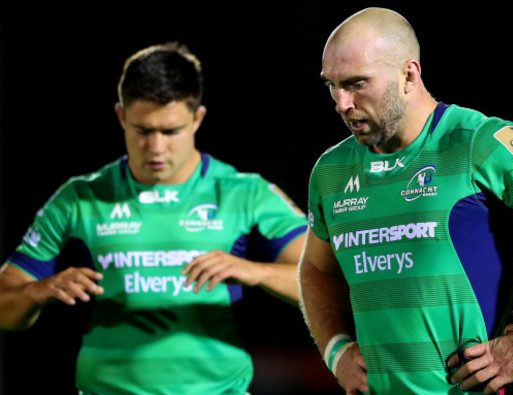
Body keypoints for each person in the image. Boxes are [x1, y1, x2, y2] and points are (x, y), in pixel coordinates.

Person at [298, 7, 513, 395]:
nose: (342, 103)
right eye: (331, 86)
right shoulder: (332, 171)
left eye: (357, 84)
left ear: (409, 74)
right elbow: (316, 271)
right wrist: (336, 350)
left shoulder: (478, 141)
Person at [0, 42, 307, 394]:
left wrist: (256, 271)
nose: (156, 147)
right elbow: (4, 309)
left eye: (171, 131)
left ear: (197, 118)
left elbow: (327, 282)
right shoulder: (80, 197)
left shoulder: (245, 193)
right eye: (143, 131)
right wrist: (38, 290)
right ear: (121, 117)